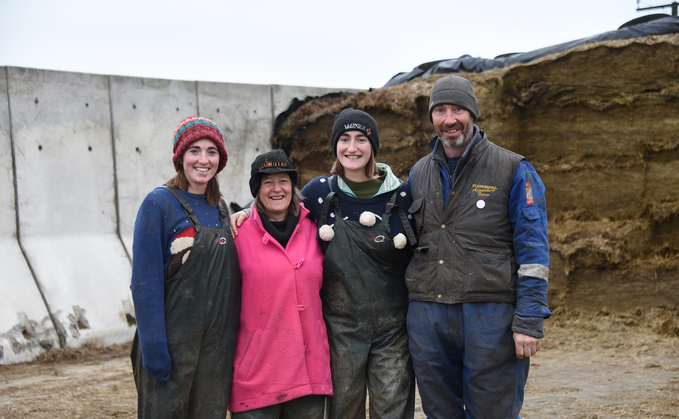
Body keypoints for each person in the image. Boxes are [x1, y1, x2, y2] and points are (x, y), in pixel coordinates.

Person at [233, 108, 417, 419]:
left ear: (374, 146)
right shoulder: (320, 193)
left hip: (393, 329)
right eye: (344, 139)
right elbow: (279, 202)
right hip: (341, 328)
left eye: (361, 139)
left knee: (393, 408)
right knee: (344, 409)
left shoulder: (402, 194)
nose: (352, 147)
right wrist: (247, 213)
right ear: (335, 146)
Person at [405, 75, 551, 419]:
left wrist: (529, 318)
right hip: (430, 316)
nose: (449, 119)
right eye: (440, 110)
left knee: (493, 413)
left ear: (473, 113)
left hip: (490, 317)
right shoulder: (417, 173)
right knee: (440, 413)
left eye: (458, 109)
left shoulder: (513, 169)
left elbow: (533, 250)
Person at [130, 117, 241, 419]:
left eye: (211, 152)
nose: (203, 160)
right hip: (170, 348)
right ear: (180, 157)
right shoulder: (159, 203)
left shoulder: (220, 207)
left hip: (214, 352)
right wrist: (154, 348)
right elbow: (144, 282)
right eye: (194, 150)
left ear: (221, 159)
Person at [228, 149, 332, 418]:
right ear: (256, 189)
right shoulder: (236, 235)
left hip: (310, 372)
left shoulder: (315, 229)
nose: (277, 189)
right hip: (257, 376)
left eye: (284, 181)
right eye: (268, 182)